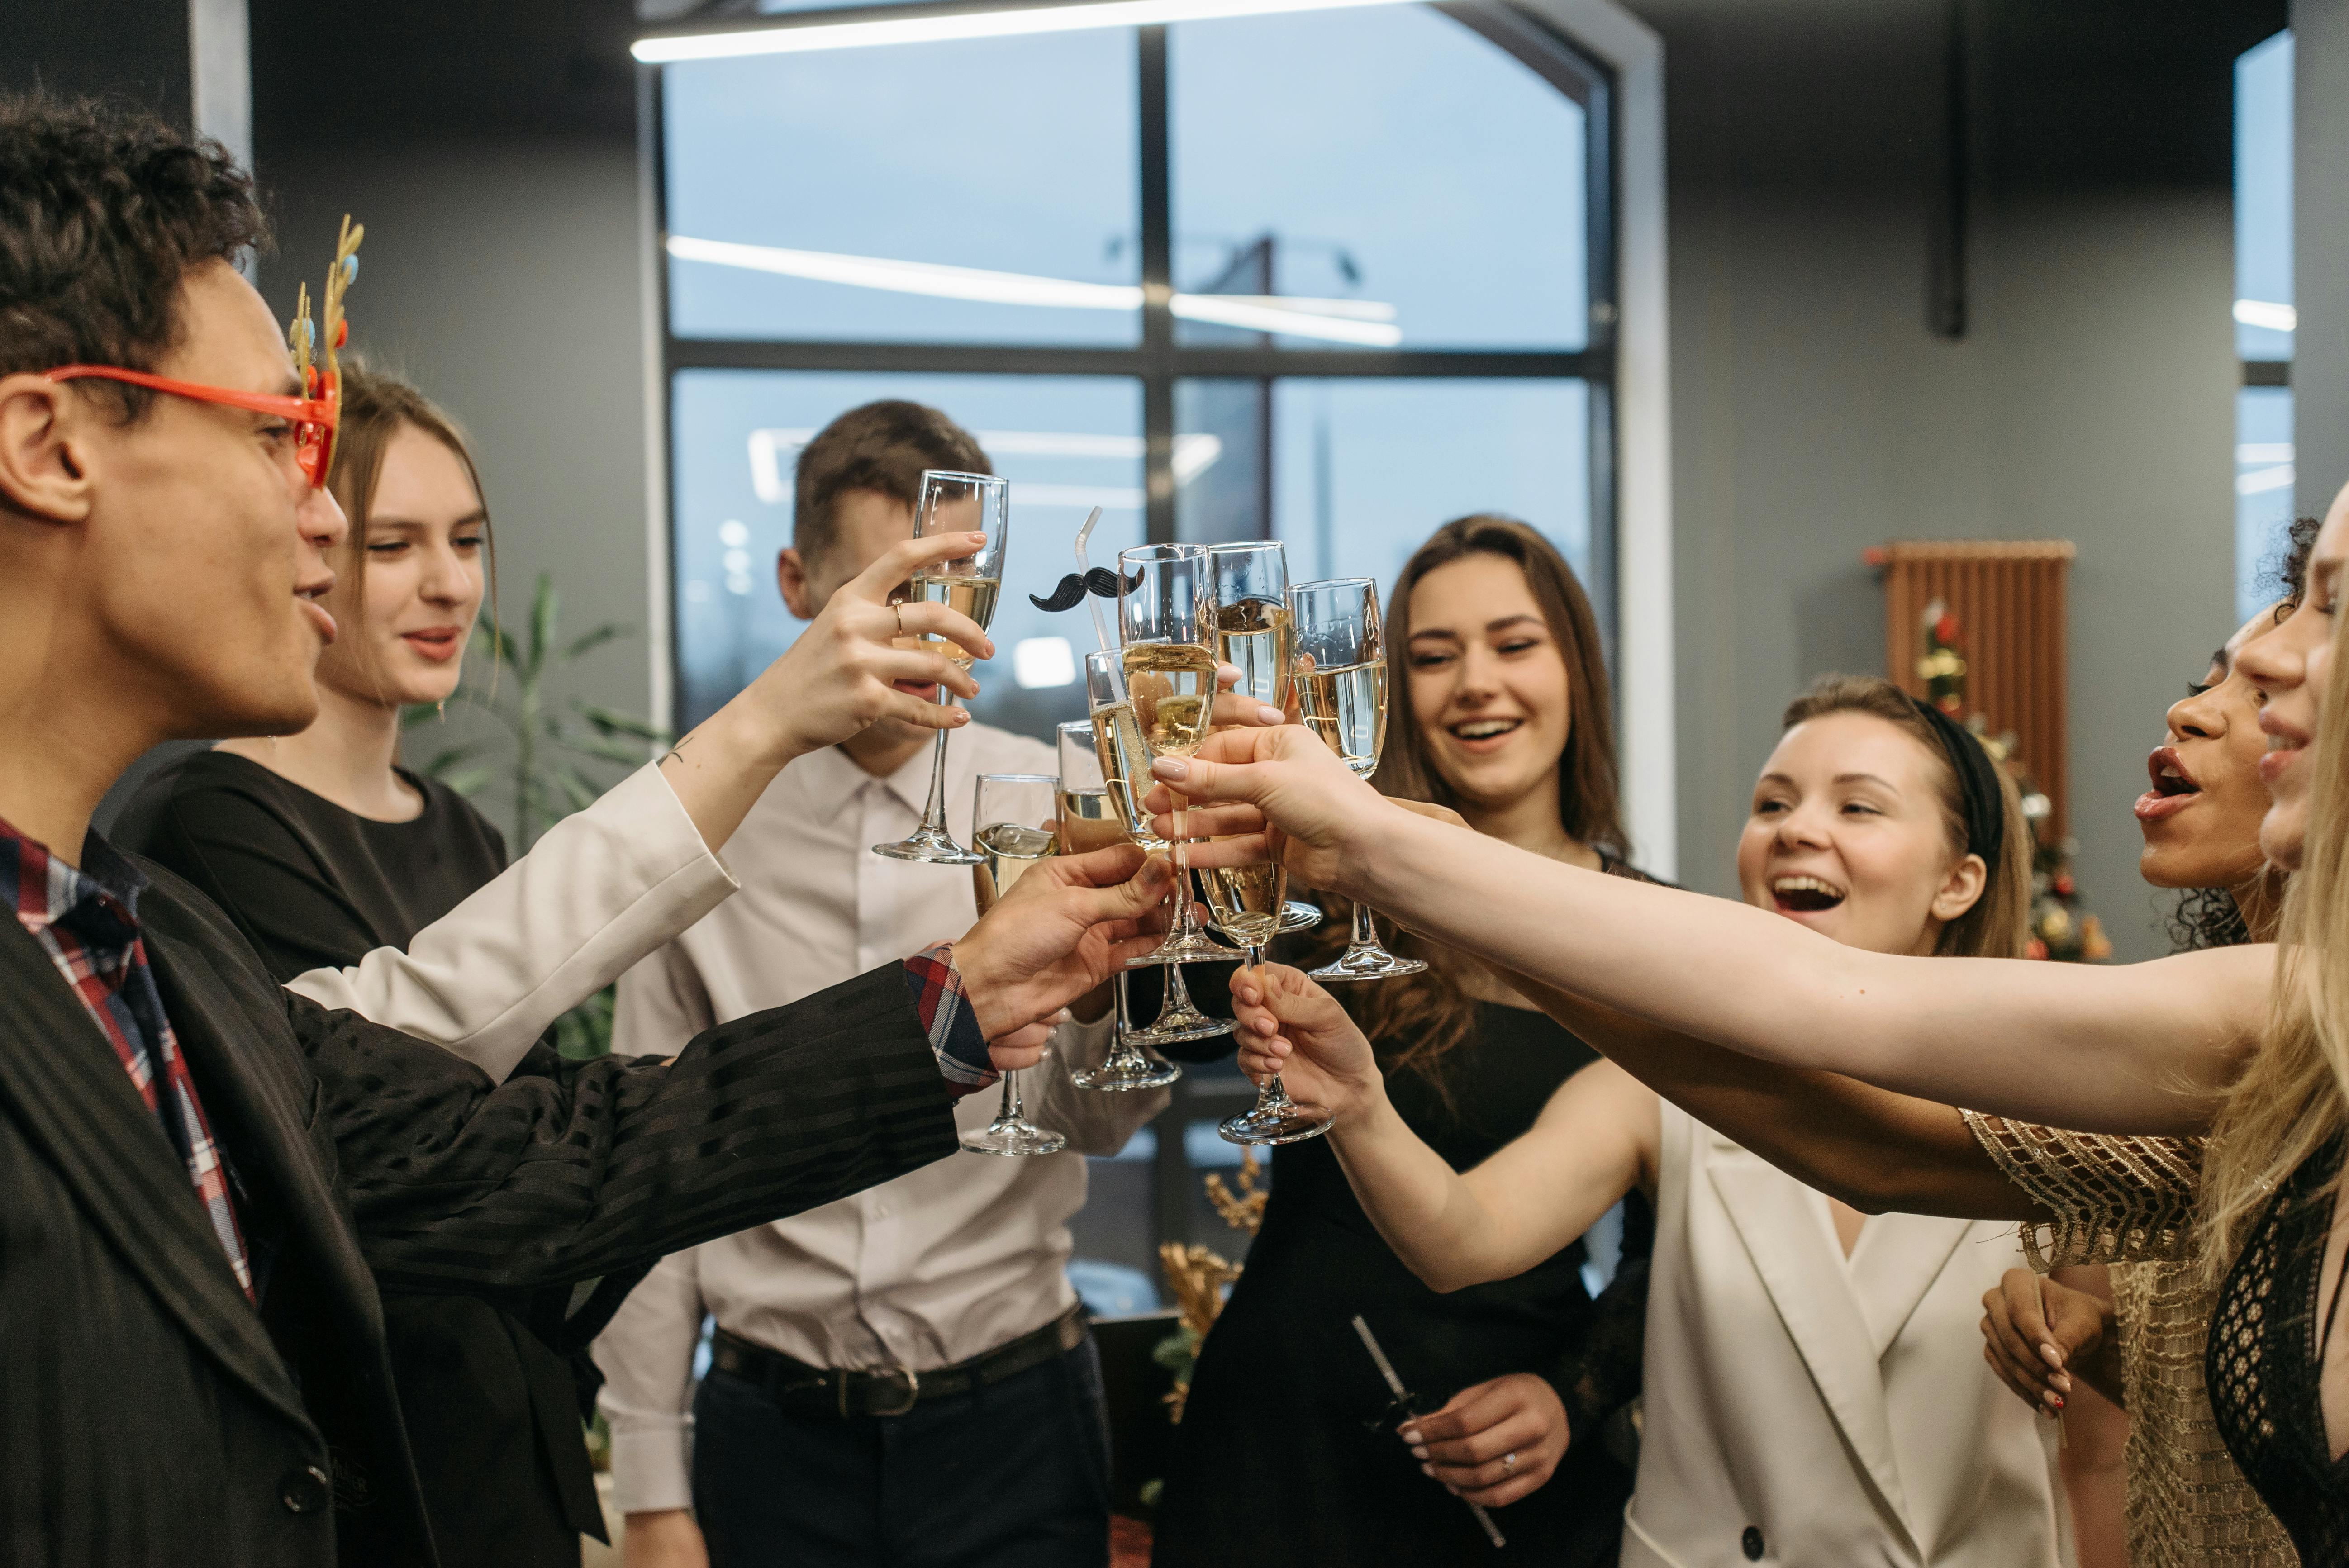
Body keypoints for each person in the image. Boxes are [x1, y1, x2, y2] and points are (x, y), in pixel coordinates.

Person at [0, 93, 1174, 1568]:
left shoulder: (151, 946)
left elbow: (562, 1137)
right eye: (278, 432)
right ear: (49, 444)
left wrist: (969, 997)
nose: (320, 519)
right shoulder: (169, 890)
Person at [1156, 486, 2349, 1557]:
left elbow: (1820, 1010)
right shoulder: (2259, 1015)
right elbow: (1864, 1143)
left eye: (2322, 612)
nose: (2244, 682)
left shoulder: (2291, 1006)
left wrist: (1380, 841)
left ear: (1962, 879)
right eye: (1771, 800)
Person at [1231, 672, 2075, 1566]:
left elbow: (2109, 1431)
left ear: (1957, 881)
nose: (1795, 827)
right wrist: (1359, 1101)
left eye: (1857, 807)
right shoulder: (1664, 1083)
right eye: (1772, 802)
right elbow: (1458, 1236)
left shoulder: (2055, 1110)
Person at [595, 403, 1167, 1568]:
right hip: (771, 1437)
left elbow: (1101, 1121)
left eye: (956, 585)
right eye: (887, 587)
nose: (928, 627)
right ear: (798, 583)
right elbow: (645, 1171)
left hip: (1017, 1421)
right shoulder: (701, 827)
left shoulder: (1062, 800)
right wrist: (652, 1486)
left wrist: (1117, 987)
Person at [116, 364, 642, 1568]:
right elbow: (390, 1147)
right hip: (371, 1469)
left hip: (513, 1443)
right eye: (393, 543)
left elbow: (547, 1130)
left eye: (466, 539)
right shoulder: (210, 822)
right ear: (304, 547)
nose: (447, 582)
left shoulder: (464, 830)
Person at [1150, 516, 1653, 1568]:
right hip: (1279, 1448)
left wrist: (1572, 1389)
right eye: (1432, 656)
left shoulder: (1652, 934)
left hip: (1509, 1462)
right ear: (1387, 688)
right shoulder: (1331, 893)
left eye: (1514, 643)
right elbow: (1174, 1031)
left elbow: (1688, 1240)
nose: (1476, 682)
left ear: (1578, 668)